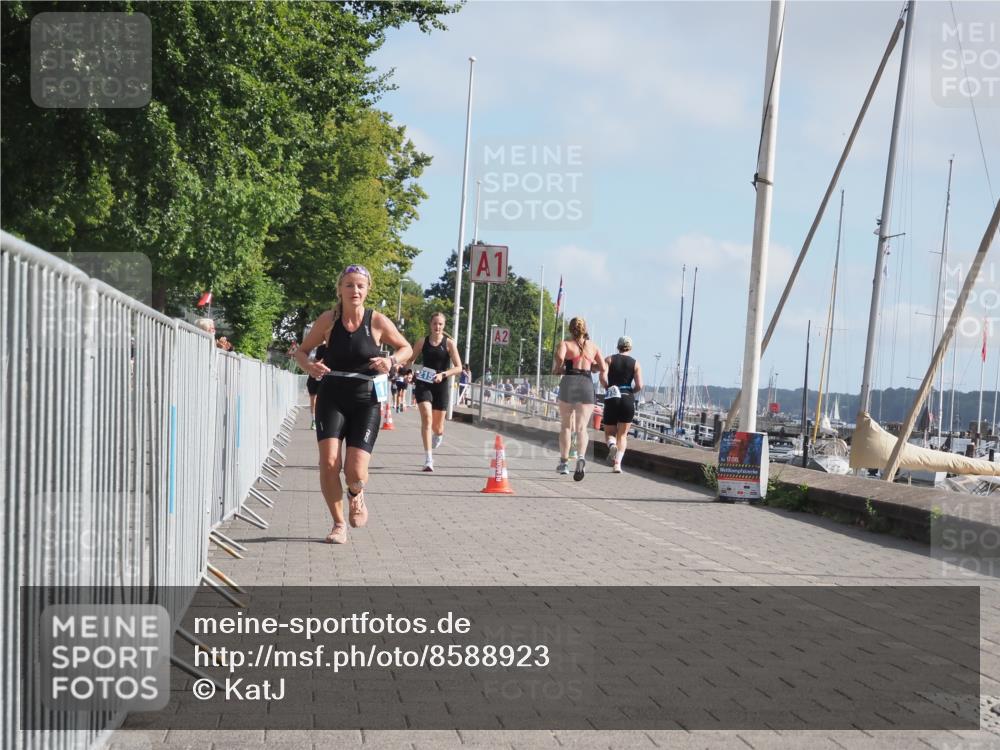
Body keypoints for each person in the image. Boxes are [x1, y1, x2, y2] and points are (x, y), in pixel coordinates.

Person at [295, 265, 412, 544]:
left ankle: (356, 494)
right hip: (332, 397)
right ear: (340, 289)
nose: (355, 290)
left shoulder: (377, 321)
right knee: (328, 463)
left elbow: (406, 348)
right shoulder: (328, 320)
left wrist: (391, 361)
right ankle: (338, 524)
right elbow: (301, 351)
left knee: (355, 471)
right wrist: (309, 366)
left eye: (360, 285)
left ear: (368, 289)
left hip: (365, 401)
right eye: (349, 285)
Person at [406, 312, 462, 472]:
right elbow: (411, 360)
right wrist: (407, 372)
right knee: (427, 418)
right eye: (435, 324)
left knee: (437, 427)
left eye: (440, 324)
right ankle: (428, 459)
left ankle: (438, 435)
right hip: (424, 382)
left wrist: (443, 374)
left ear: (444, 326)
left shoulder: (449, 343)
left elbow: (458, 367)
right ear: (430, 325)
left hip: (441, 385)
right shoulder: (422, 341)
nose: (437, 327)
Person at [552, 316, 607, 481]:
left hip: (569, 383)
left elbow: (560, 361)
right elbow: (603, 367)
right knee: (582, 428)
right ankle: (581, 457)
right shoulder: (593, 347)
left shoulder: (565, 344)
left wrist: (559, 368)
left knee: (566, 427)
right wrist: (592, 367)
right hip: (586, 385)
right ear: (585, 329)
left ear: (570, 329)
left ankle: (564, 463)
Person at [602, 336, 643, 474]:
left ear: (618, 346)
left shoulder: (609, 359)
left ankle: (612, 445)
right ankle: (617, 464)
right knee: (623, 435)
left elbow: (602, 377)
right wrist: (630, 391)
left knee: (609, 433)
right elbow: (639, 385)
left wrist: (607, 387)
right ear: (630, 348)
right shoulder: (635, 363)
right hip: (627, 397)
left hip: (612, 395)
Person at [306, 340, 328, 429]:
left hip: (326, 376)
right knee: (313, 399)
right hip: (314, 375)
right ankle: (314, 421)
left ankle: (324, 420)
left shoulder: (334, 346)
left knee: (325, 400)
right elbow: (316, 361)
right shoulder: (318, 348)